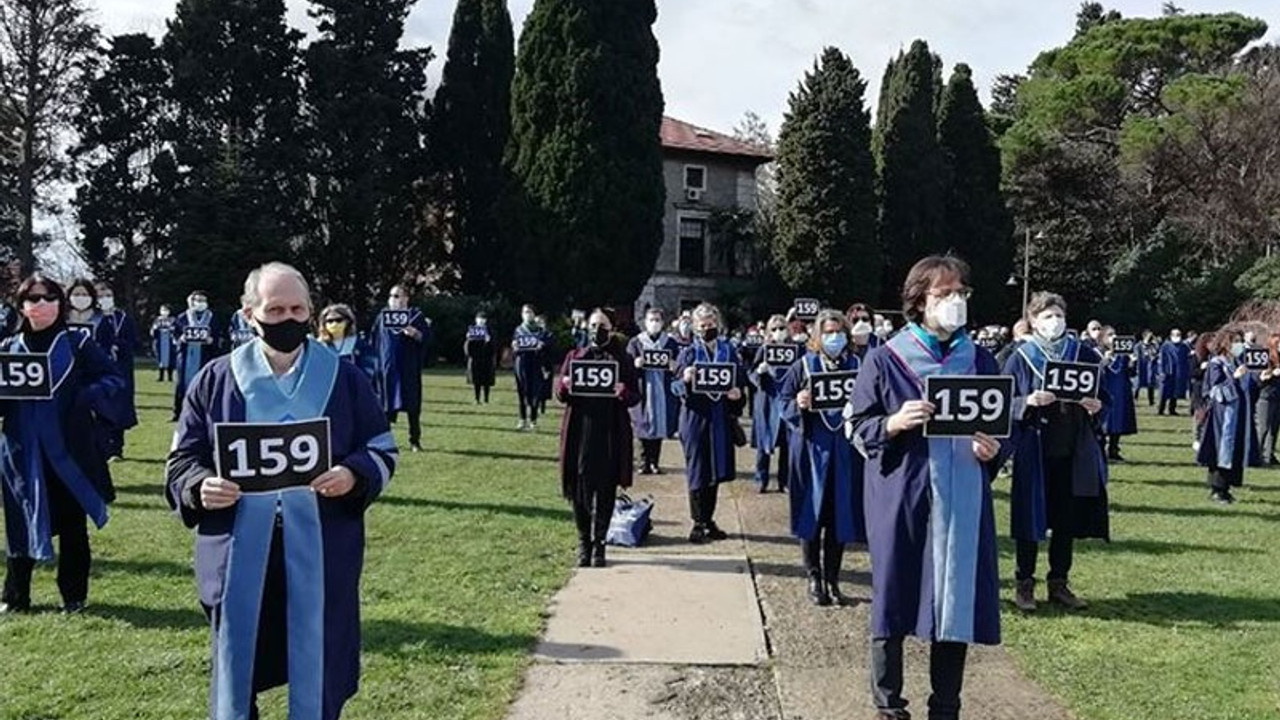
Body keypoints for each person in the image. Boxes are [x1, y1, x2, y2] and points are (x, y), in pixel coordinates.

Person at [166, 262, 398, 720]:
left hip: (320, 547)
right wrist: (198, 486)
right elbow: (180, 462)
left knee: (318, 665)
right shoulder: (214, 380)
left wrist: (353, 474)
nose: (287, 319)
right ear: (249, 313)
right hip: (237, 551)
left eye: (296, 308)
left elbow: (381, 448)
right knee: (238, 664)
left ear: (311, 311)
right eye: (275, 309)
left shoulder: (345, 379)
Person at [846, 256, 1009, 720]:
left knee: (954, 598)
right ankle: (889, 704)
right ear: (919, 301)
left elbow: (1004, 426)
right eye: (944, 293)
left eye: (961, 292)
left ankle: (946, 706)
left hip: (961, 495)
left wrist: (994, 449)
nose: (955, 301)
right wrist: (893, 423)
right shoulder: (885, 359)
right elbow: (859, 427)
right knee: (893, 594)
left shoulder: (979, 358)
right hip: (903, 494)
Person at [1, 274, 125, 614]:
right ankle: (16, 597)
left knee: (72, 524)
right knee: (19, 522)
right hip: (21, 452)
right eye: (33, 299)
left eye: (49, 298)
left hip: (69, 451)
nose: (41, 305)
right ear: (22, 306)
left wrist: (84, 397)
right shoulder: (8, 348)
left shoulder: (77, 343)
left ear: (60, 303)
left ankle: (74, 596)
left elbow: (113, 377)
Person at [1004, 292, 1108, 613]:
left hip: (1071, 447)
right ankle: (1024, 583)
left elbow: (1104, 397)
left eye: (1059, 315)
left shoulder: (1084, 354)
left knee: (1065, 519)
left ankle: (1059, 583)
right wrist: (1026, 403)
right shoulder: (1021, 357)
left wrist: (1097, 406)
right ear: (1033, 321)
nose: (1055, 321)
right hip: (1034, 447)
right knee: (1029, 519)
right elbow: (1001, 401)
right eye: (1047, 316)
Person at [779, 309, 865, 606]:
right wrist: (798, 403)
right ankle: (813, 576)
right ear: (818, 335)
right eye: (828, 332)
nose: (834, 337)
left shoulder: (858, 365)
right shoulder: (804, 365)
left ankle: (833, 578)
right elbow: (783, 400)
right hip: (811, 449)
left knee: (839, 516)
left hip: (845, 451)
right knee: (811, 514)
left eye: (839, 332)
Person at [555, 309, 640, 567]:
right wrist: (564, 385)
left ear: (611, 327)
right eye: (593, 324)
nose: (597, 329)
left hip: (610, 432)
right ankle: (584, 542)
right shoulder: (575, 356)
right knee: (580, 490)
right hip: (581, 430)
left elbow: (635, 395)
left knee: (605, 489)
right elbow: (560, 393)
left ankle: (601, 543)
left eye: (602, 325)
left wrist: (622, 390)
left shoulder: (622, 359)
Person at [672, 302, 745, 543]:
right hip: (695, 418)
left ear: (718, 325)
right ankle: (697, 521)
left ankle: (709, 519)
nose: (707, 329)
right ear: (694, 327)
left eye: (711, 325)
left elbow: (740, 381)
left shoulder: (729, 350)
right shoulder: (689, 353)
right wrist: (685, 378)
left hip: (719, 417)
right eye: (702, 326)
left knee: (715, 470)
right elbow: (674, 387)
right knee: (697, 470)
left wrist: (737, 394)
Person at [1197, 328, 1261, 503]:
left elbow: (1248, 390)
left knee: (1235, 451)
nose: (1239, 345)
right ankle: (1217, 489)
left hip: (1239, 414)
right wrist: (1233, 377)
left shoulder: (1238, 361)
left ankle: (1227, 487)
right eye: (1235, 341)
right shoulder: (1216, 363)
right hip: (1222, 416)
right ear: (1226, 343)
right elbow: (1215, 390)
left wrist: (1260, 379)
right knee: (1221, 450)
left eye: (1240, 341)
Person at [373, 285, 430, 452]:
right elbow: (375, 340)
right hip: (388, 369)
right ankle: (385, 442)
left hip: (408, 369)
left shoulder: (416, 316)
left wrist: (415, 333)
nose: (394, 299)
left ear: (406, 298)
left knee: (412, 406)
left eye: (397, 295)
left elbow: (426, 338)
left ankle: (415, 440)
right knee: (385, 407)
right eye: (391, 295)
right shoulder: (382, 317)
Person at [626, 308, 680, 474]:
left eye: (657, 320)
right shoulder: (636, 342)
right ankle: (643, 462)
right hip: (643, 388)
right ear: (645, 322)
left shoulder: (670, 343)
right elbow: (626, 367)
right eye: (651, 320)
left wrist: (674, 366)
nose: (654, 323)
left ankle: (655, 462)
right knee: (642, 424)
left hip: (662, 389)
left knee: (659, 425)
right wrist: (634, 364)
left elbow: (679, 365)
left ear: (662, 323)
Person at [747, 315, 795, 493]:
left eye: (782, 328)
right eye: (774, 329)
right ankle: (761, 478)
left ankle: (785, 480)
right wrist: (760, 372)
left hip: (786, 398)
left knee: (787, 443)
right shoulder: (764, 349)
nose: (778, 332)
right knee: (764, 442)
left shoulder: (795, 349)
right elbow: (751, 372)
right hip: (767, 398)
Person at [96, 282, 138, 460]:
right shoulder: (93, 318)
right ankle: (100, 446)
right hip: (98, 369)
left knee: (119, 405)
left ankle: (117, 448)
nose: (105, 299)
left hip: (121, 367)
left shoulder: (123, 317)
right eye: (102, 296)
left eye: (108, 295)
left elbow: (134, 341)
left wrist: (118, 346)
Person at [173, 291, 220, 421]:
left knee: (204, 383)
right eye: (197, 300)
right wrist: (180, 339)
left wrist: (212, 341)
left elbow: (218, 336)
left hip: (205, 355)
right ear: (192, 301)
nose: (200, 303)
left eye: (203, 300)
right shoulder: (183, 317)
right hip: (186, 355)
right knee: (182, 384)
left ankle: (204, 412)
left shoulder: (211, 317)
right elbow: (175, 335)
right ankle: (178, 412)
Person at [1099, 326, 1137, 462]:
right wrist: (1105, 360)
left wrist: (1133, 362)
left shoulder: (1123, 354)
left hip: (1121, 390)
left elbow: (1131, 373)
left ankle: (1114, 449)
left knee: (1119, 421)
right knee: (1104, 422)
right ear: (1103, 338)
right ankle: (1101, 449)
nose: (1113, 337)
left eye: (1114, 334)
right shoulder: (1098, 352)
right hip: (1106, 389)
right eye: (1109, 335)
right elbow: (1096, 372)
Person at [512, 305, 550, 431]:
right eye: (525, 312)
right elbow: (514, 347)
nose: (527, 314)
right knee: (522, 392)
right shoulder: (518, 330)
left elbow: (549, 348)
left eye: (530, 312)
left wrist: (542, 346)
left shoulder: (541, 331)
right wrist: (515, 346)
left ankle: (533, 420)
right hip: (521, 363)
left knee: (535, 392)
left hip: (535, 363)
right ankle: (522, 419)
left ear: (534, 314)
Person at [317, 304, 376, 380]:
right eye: (330, 321)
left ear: (348, 321)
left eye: (338, 320)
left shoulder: (359, 344)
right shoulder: (318, 346)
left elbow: (368, 370)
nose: (334, 324)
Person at [1255, 334, 1280, 466]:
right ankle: (1257, 455)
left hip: (1277, 397)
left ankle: (1269, 455)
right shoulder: (1266, 359)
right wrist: (1272, 373)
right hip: (1266, 397)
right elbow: (1260, 379)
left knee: (1274, 428)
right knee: (1263, 428)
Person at [464, 311, 497, 405]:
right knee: (476, 380)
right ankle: (477, 399)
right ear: (476, 320)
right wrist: (468, 340)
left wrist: (488, 341)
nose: (481, 321)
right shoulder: (472, 331)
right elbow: (467, 349)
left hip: (487, 359)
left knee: (486, 380)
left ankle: (486, 399)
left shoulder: (490, 331)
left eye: (483, 319)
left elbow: (494, 347)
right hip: (475, 359)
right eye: (479, 318)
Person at [1158, 329, 1191, 416]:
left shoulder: (1184, 346)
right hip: (1167, 371)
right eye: (1175, 334)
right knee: (1164, 391)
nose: (1177, 336)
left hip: (1178, 372)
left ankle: (1172, 409)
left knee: (1175, 391)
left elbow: (1188, 358)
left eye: (1179, 334)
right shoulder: (1165, 346)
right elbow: (1161, 359)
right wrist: (1162, 371)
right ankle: (1160, 409)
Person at [152, 305, 177, 382]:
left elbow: (176, 329)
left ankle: (170, 377)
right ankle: (161, 377)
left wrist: (171, 330)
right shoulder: (157, 320)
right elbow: (153, 331)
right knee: (161, 360)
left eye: (166, 310)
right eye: (163, 310)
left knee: (171, 360)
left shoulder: (173, 320)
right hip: (160, 342)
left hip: (170, 342)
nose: (164, 312)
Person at [1135, 330, 1159, 406]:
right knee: (1138, 384)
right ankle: (1135, 398)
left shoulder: (1152, 346)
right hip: (1141, 366)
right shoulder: (1138, 346)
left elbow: (1156, 354)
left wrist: (1155, 344)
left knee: (1150, 384)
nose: (1151, 338)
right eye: (1149, 336)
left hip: (1150, 367)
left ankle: (1151, 401)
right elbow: (1136, 356)